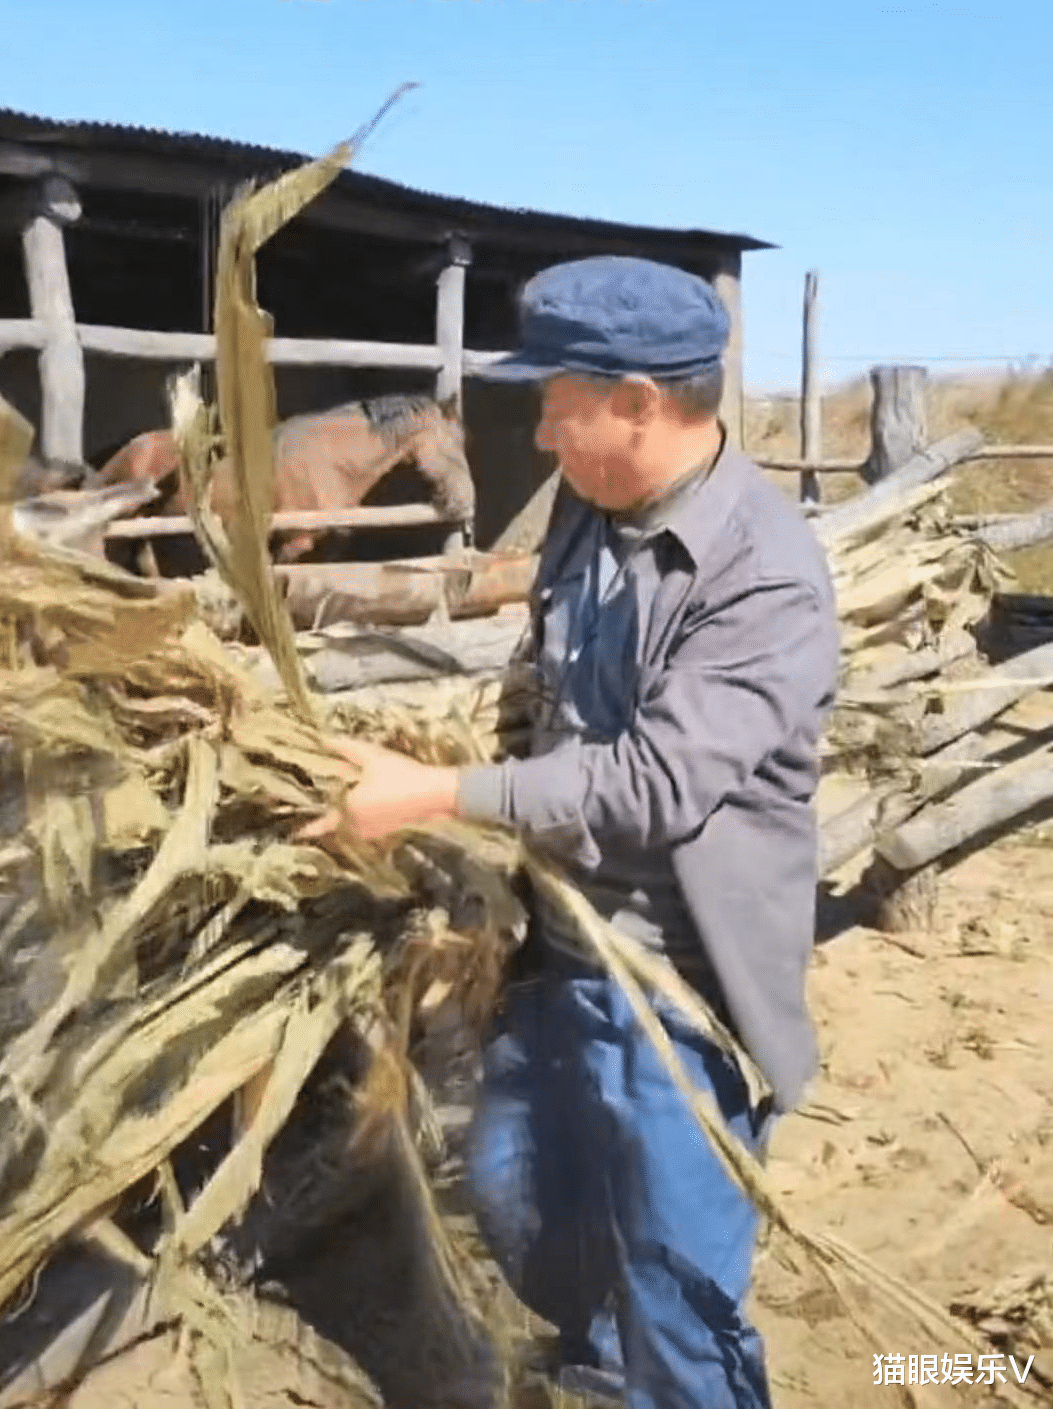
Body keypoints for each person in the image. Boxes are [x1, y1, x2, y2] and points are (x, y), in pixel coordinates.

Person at [300, 255, 840, 1409]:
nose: (540, 431)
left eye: (556, 401)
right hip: (555, 946)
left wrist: (436, 793)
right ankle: (599, 1359)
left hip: (675, 984)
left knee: (675, 1289)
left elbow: (654, 783)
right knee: (513, 1194)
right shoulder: (584, 515)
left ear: (637, 403)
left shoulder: (762, 574)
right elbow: (537, 679)